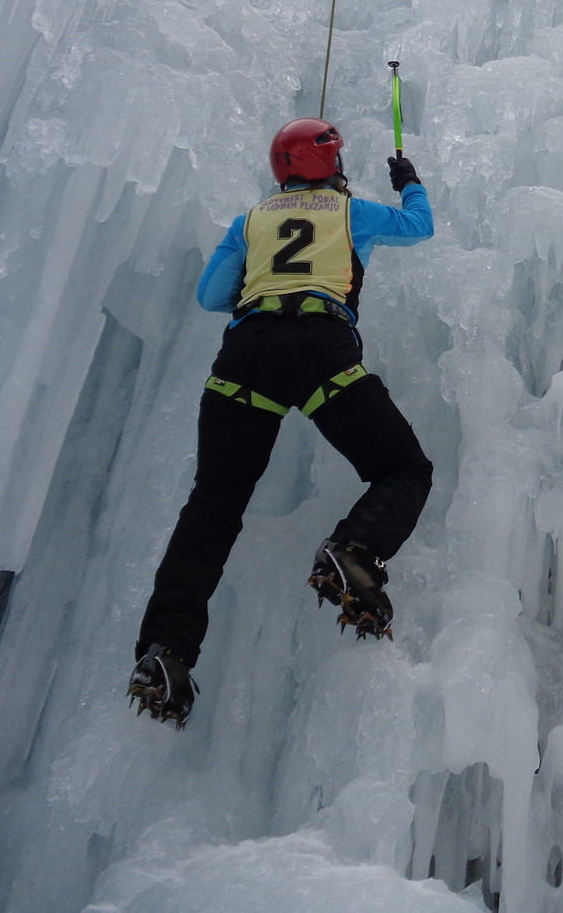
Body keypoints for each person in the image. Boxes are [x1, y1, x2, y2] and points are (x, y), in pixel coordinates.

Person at [129, 118, 435, 726]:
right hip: (318, 347)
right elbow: (418, 226)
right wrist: (410, 182)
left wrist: (263, 273)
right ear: (332, 168)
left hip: (244, 358)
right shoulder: (353, 212)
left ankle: (166, 650)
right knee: (402, 467)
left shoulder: (249, 221)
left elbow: (212, 297)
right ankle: (354, 548)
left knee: (213, 505)